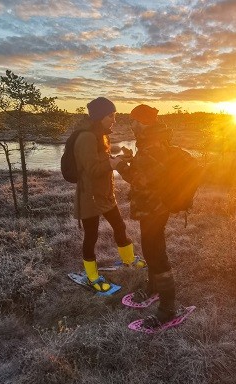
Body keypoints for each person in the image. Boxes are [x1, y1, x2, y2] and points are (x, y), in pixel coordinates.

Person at [115, 104, 188, 329]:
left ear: (143, 121)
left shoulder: (152, 144)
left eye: (133, 120)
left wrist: (119, 165)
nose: (131, 124)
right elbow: (151, 171)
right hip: (154, 207)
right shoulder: (152, 140)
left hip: (155, 207)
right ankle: (154, 288)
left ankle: (168, 310)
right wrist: (131, 160)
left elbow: (143, 180)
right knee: (151, 249)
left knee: (156, 254)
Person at [73, 97, 146, 294]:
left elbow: (102, 158)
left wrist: (119, 156)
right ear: (99, 117)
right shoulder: (86, 137)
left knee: (119, 226)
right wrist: (115, 163)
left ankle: (129, 260)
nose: (114, 120)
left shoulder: (100, 135)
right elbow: (91, 169)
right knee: (91, 237)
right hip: (90, 197)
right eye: (110, 116)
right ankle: (92, 277)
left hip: (104, 195)